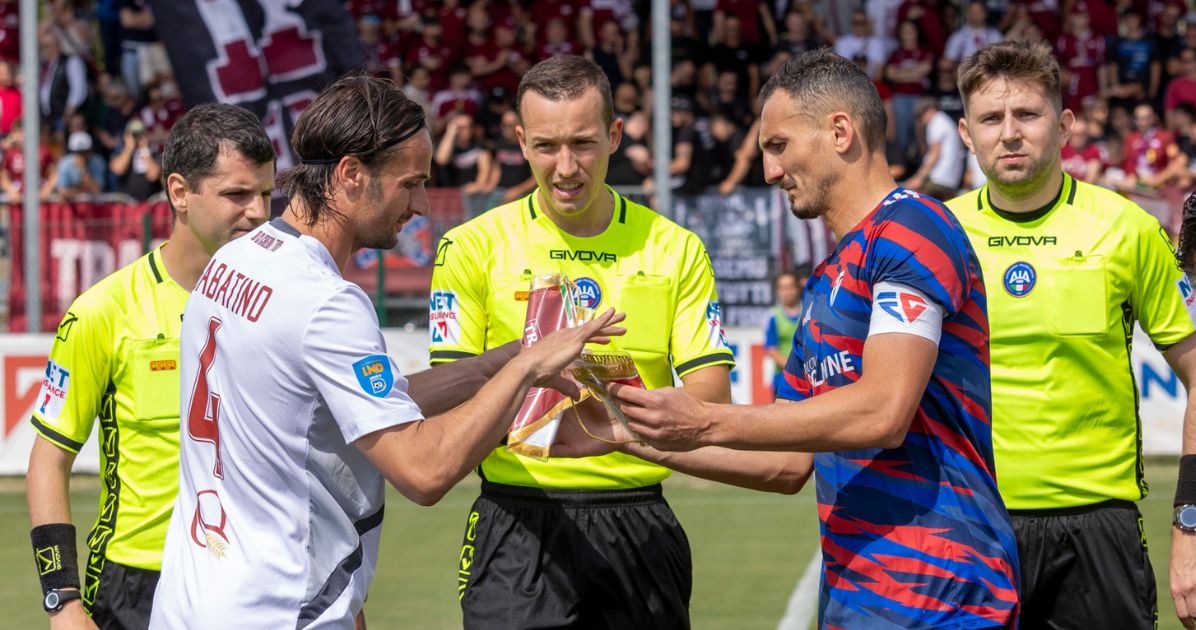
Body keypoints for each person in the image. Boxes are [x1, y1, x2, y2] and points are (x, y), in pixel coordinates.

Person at [149, 74, 621, 629]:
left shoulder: (234, 260)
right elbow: (423, 470)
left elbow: (350, 409)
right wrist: (526, 369)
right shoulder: (327, 301)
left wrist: (498, 362)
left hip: (189, 601)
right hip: (278, 609)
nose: (421, 204)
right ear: (351, 174)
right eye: (410, 183)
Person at [575, 48, 1020, 629]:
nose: (769, 171)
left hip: (944, 598)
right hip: (856, 602)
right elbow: (786, 464)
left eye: (779, 145)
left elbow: (884, 411)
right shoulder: (825, 279)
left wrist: (706, 419)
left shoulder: (910, 227)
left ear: (840, 131)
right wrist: (625, 433)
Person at [430, 55, 809, 629]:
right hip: (516, 522)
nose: (565, 168)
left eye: (583, 144)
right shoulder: (470, 246)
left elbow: (709, 401)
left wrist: (596, 403)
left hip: (638, 522)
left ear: (614, 135)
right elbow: (450, 402)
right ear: (521, 142)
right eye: (546, 146)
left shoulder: (675, 249)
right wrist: (539, 381)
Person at [947, 40, 1196, 629]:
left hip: (1100, 534)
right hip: (970, 528)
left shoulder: (1127, 228)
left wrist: (1191, 522)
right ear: (966, 134)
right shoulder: (936, 234)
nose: (1010, 133)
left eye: (1027, 114)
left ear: (1064, 125)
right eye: (991, 118)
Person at [26, 103, 276, 630]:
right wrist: (62, 600)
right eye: (237, 194)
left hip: (257, 580)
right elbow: (49, 459)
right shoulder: (103, 311)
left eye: (266, 194)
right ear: (179, 192)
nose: (258, 212)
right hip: (137, 587)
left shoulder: (285, 303)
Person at [763, 271, 803, 398]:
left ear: (798, 288)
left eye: (790, 287)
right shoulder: (772, 316)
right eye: (782, 288)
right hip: (782, 378)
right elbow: (771, 349)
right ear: (777, 291)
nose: (787, 292)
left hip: (808, 378)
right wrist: (795, 369)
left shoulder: (809, 311)